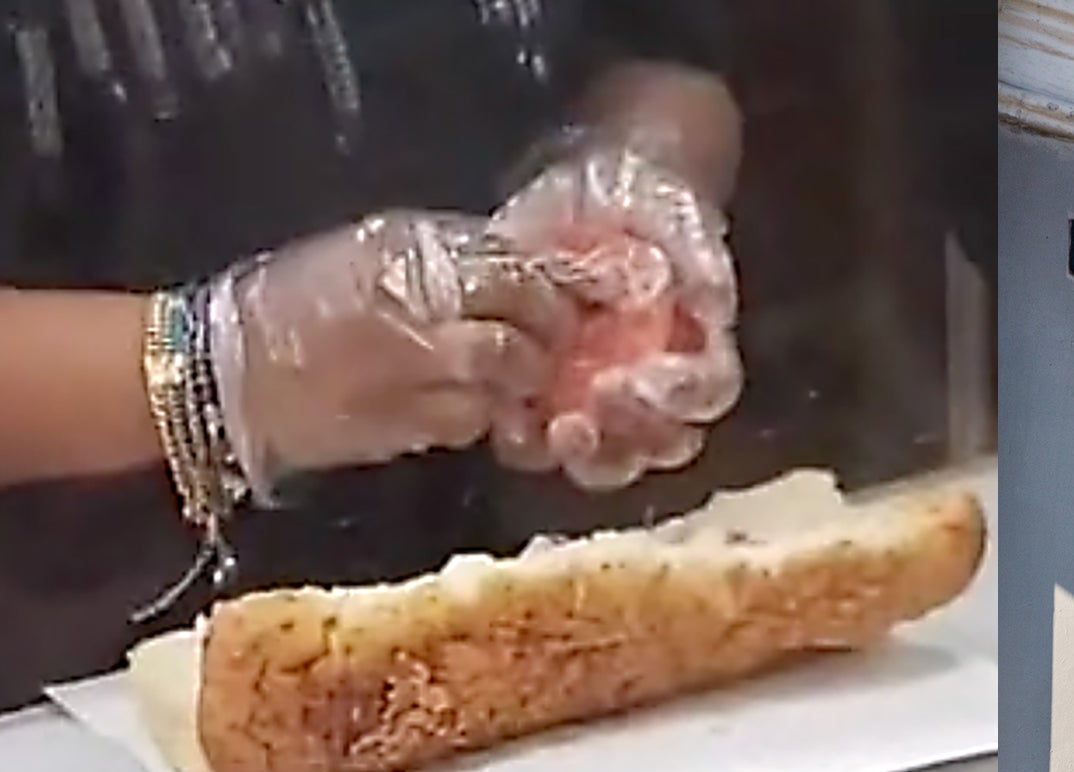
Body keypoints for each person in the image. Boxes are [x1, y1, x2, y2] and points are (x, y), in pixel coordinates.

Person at [0, 4, 751, 708]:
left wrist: (630, 181)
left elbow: (659, 50)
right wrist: (222, 361)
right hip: (66, 698)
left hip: (473, 597)